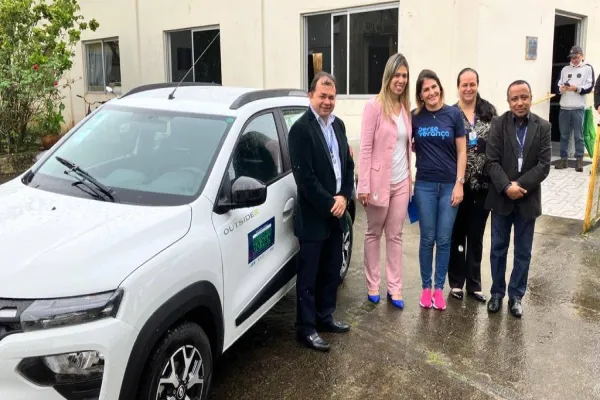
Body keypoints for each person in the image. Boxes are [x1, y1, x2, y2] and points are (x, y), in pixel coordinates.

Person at [287, 71, 355, 352]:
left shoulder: (338, 125)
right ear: (310, 96)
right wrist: (332, 204)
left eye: (331, 97)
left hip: (337, 212)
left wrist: (345, 196)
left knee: (331, 270)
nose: (327, 102)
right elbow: (305, 180)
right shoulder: (300, 130)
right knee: (309, 276)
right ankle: (306, 328)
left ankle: (325, 316)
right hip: (315, 216)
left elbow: (348, 165)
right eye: (322, 96)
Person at [485, 80, 551, 318]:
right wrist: (506, 187)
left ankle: (516, 296)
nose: (520, 102)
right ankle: (496, 293)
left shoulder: (543, 127)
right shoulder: (498, 124)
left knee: (523, 252)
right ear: (508, 101)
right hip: (501, 198)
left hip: (527, 198)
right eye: (515, 99)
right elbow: (491, 161)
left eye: (524, 97)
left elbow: (544, 165)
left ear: (531, 98)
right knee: (498, 249)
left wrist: (519, 186)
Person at [358, 53, 413, 309]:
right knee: (373, 233)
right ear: (388, 76)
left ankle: (395, 288)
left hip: (401, 182)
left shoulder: (406, 108)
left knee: (395, 235)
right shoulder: (374, 107)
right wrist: (364, 185)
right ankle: (373, 284)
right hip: (378, 182)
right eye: (397, 75)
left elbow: (406, 144)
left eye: (405, 76)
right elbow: (365, 148)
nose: (401, 80)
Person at [412, 69, 467, 311]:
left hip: (449, 186)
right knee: (427, 239)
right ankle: (426, 288)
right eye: (426, 89)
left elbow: (462, 151)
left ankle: (438, 289)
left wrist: (459, 183)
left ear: (440, 88)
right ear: (420, 95)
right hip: (424, 185)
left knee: (444, 240)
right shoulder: (415, 117)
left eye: (434, 87)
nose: (431, 92)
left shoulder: (453, 114)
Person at [448, 68, 497, 303]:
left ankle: (474, 284)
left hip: (483, 186)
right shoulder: (450, 114)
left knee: (476, 235)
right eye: (464, 84)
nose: (468, 88)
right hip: (458, 185)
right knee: (457, 234)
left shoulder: (489, 112)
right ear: (458, 87)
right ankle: (456, 283)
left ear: (477, 85)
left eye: (472, 84)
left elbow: (498, 146)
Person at [556, 45, 595, 172]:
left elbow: (589, 87)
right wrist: (562, 88)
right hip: (564, 107)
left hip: (578, 107)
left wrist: (576, 88)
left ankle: (579, 160)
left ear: (582, 56)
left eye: (576, 57)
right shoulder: (565, 69)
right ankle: (563, 160)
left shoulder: (587, 68)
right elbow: (557, 86)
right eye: (572, 58)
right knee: (564, 135)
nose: (574, 60)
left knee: (579, 136)